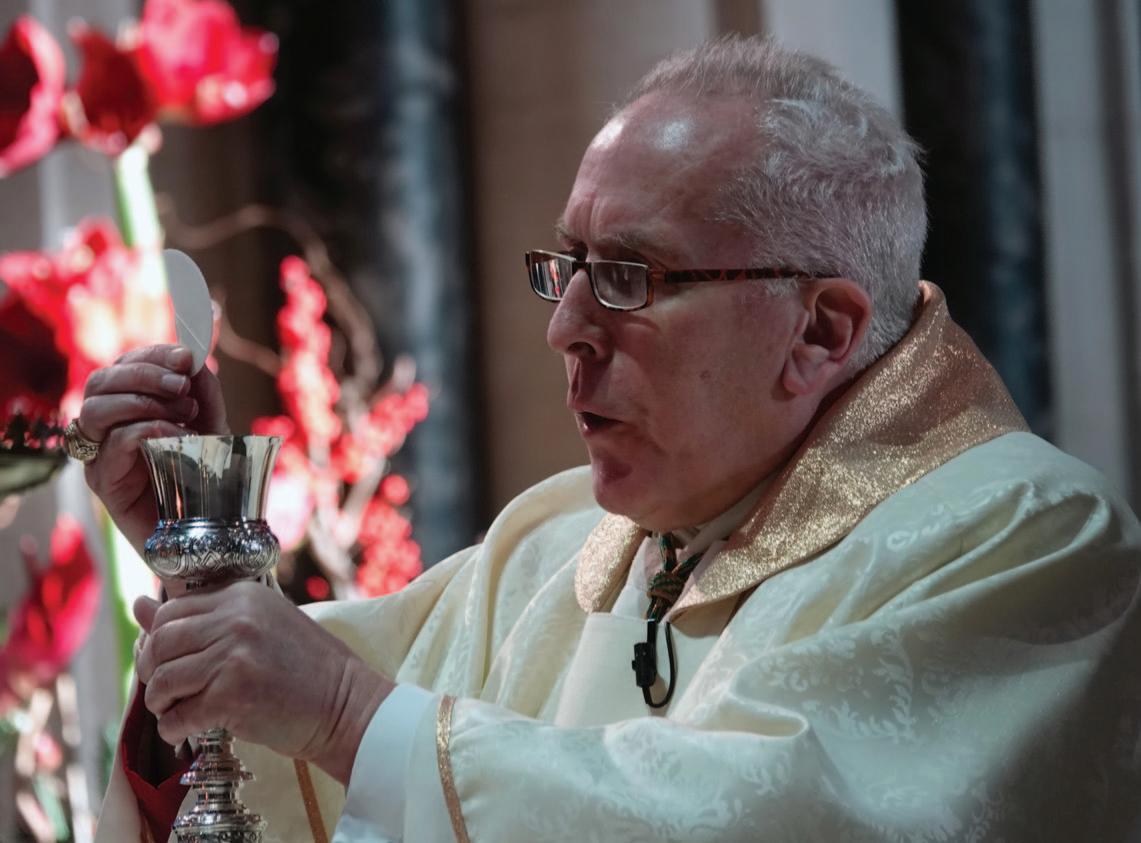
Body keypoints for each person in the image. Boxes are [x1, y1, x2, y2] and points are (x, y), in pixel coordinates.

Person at [79, 35, 1140, 842]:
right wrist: (201, 545)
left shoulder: (1024, 538)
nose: (566, 330)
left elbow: (778, 817)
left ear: (820, 330)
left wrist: (350, 715)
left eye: (630, 277)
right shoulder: (547, 548)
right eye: (570, 267)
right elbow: (289, 764)